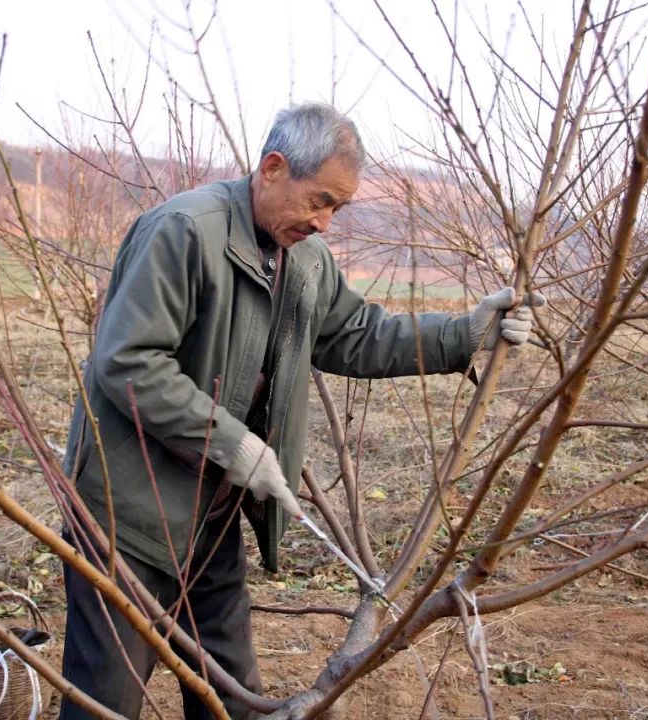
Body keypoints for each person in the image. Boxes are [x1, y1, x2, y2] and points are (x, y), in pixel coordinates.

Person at [59, 102, 542, 719]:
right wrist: (231, 442)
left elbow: (357, 334)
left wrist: (464, 332)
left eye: (338, 207)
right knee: (107, 700)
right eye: (320, 201)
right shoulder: (182, 232)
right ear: (272, 167)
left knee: (230, 696)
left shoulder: (306, 260)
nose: (326, 222)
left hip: (213, 519)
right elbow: (127, 363)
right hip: (126, 522)